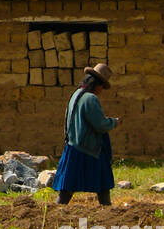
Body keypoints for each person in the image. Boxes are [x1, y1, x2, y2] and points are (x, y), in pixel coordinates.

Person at [51, 63, 119, 205]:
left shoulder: (76, 95)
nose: (101, 90)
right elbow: (100, 124)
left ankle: (57, 210)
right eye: (102, 86)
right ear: (97, 84)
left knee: (68, 186)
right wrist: (113, 122)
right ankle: (106, 208)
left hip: (72, 145)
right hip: (88, 147)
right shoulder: (90, 99)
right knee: (103, 182)